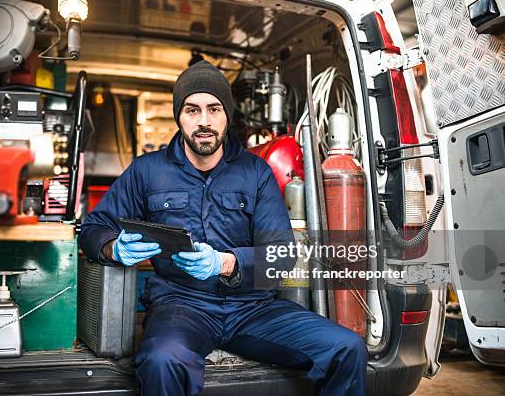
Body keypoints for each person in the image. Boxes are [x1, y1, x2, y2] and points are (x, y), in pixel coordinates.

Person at [79, 60, 367, 396]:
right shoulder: (147, 172)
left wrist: (225, 263)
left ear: (227, 115)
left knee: (346, 348)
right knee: (161, 360)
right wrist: (115, 247)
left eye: (214, 109)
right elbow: (93, 227)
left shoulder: (256, 173)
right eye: (191, 110)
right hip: (181, 306)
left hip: (253, 309)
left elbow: (282, 255)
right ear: (179, 116)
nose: (203, 121)